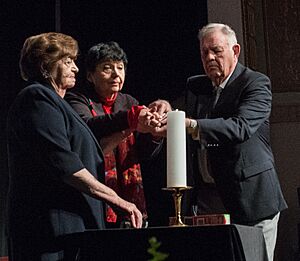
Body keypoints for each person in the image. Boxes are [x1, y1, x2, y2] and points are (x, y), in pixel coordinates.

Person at [6, 32, 160, 260]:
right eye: (67, 62)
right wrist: (117, 200)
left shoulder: (59, 104)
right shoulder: (37, 98)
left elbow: (94, 151)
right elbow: (65, 164)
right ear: (45, 66)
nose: (76, 69)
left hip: (72, 226)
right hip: (49, 229)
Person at [183, 23, 288, 261]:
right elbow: (179, 110)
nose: (209, 57)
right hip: (209, 199)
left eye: (216, 51)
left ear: (235, 50)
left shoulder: (255, 83)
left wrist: (192, 125)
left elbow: (239, 127)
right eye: (204, 52)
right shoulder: (196, 86)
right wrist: (165, 109)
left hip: (251, 198)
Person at [65, 41, 172, 228]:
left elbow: (143, 153)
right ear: (90, 75)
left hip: (129, 193)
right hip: (94, 191)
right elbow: (89, 128)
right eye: (107, 68)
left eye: (120, 68)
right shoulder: (78, 99)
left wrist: (155, 133)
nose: (116, 74)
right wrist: (131, 120)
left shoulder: (128, 101)